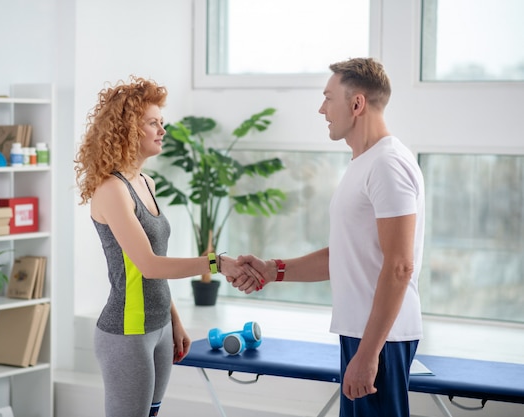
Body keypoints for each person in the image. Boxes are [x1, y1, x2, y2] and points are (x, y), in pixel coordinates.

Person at [232, 58, 425, 417]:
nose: (322, 109)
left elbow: (399, 266)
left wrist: (368, 355)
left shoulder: (387, 164)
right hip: (363, 332)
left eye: (328, 98)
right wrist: (272, 269)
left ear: (357, 104)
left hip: (380, 339)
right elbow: (345, 255)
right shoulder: (364, 163)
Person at [74, 76, 259, 417]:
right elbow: (149, 265)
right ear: (128, 129)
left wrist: (173, 320)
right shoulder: (111, 190)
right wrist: (216, 263)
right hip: (127, 332)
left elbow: (155, 265)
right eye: (152, 123)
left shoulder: (146, 182)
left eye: (162, 122)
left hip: (158, 327)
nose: (162, 130)